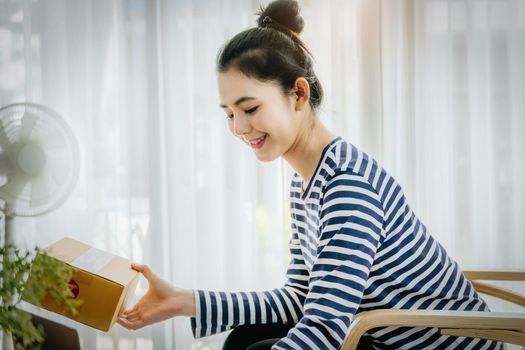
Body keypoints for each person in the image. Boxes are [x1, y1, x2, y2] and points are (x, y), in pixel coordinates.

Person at [118, 1, 505, 349]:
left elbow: (323, 329)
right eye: (229, 114)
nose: (237, 127)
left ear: (298, 95)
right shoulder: (308, 181)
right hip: (377, 336)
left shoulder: (347, 185)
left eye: (249, 108)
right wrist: (184, 302)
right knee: (247, 338)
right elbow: (301, 299)